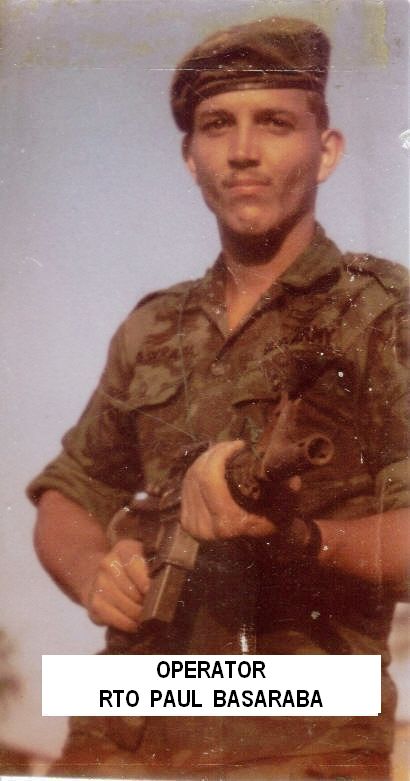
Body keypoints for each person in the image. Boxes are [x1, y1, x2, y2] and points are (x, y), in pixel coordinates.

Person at [28, 16, 409, 781]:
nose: (242, 150)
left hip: (297, 738)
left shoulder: (383, 314)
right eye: (216, 125)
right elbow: (69, 491)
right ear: (190, 157)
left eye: (275, 123)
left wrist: (300, 538)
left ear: (327, 150)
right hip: (125, 731)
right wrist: (96, 570)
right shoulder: (154, 326)